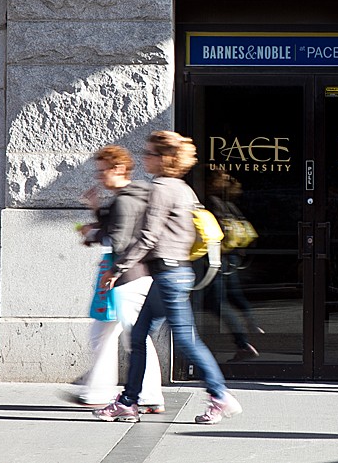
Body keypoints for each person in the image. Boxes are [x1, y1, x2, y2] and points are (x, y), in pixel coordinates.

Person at [94, 131, 242, 424]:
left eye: (149, 153)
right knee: (138, 336)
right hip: (173, 273)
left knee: (186, 340)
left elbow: (148, 237)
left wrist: (118, 268)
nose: (144, 158)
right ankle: (128, 401)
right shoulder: (183, 188)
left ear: (164, 159)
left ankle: (220, 395)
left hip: (169, 275)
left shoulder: (162, 188)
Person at [73, 145, 165, 413]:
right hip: (129, 275)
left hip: (127, 276)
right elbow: (118, 225)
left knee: (133, 337)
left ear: (119, 169)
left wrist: (93, 234)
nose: (100, 177)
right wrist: (96, 213)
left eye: (103, 171)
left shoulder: (125, 199)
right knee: (106, 333)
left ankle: (148, 395)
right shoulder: (131, 196)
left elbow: (120, 239)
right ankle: (98, 391)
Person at [206, 169, 263, 362]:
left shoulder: (213, 202)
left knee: (216, 302)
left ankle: (243, 343)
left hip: (219, 256)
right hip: (231, 256)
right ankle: (251, 324)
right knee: (233, 295)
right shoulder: (229, 203)